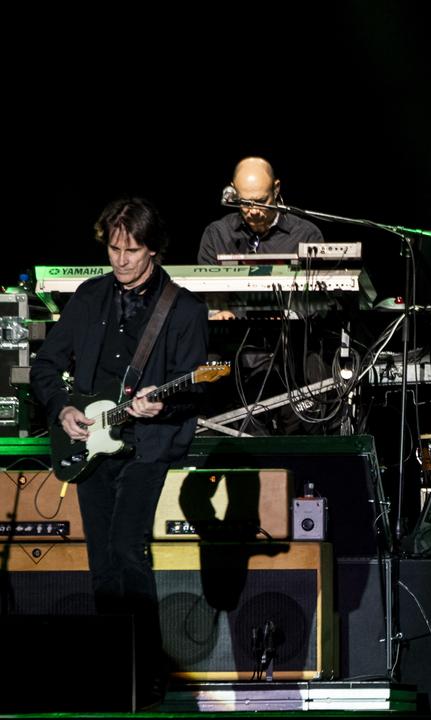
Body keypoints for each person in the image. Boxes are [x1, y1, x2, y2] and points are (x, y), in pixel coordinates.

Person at [31, 198, 209, 707]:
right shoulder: (89, 298)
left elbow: (195, 387)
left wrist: (161, 408)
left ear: (153, 248)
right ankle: (115, 670)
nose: (121, 259)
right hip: (91, 444)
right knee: (101, 565)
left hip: (147, 447)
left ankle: (150, 672)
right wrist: (64, 408)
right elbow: (45, 366)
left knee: (128, 551)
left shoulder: (184, 309)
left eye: (131, 250)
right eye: (113, 248)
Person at [197, 156, 323, 265]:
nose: (254, 211)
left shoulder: (305, 235)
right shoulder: (217, 234)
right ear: (234, 192)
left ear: (276, 189)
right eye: (245, 203)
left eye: (261, 201)